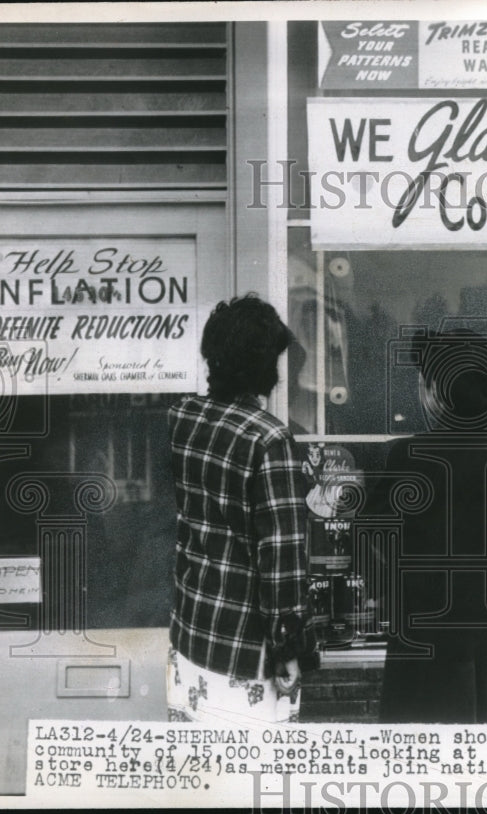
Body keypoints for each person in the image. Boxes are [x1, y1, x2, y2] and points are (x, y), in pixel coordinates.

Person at [363, 326, 487, 723]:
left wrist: (398, 605)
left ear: (434, 391)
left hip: (426, 641)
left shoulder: (406, 456)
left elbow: (369, 544)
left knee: (426, 770)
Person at [166, 294, 317, 724]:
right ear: (264, 367)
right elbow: (283, 563)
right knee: (253, 783)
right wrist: (288, 652)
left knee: (197, 775)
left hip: (191, 633)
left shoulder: (183, 417)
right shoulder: (270, 439)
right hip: (246, 655)